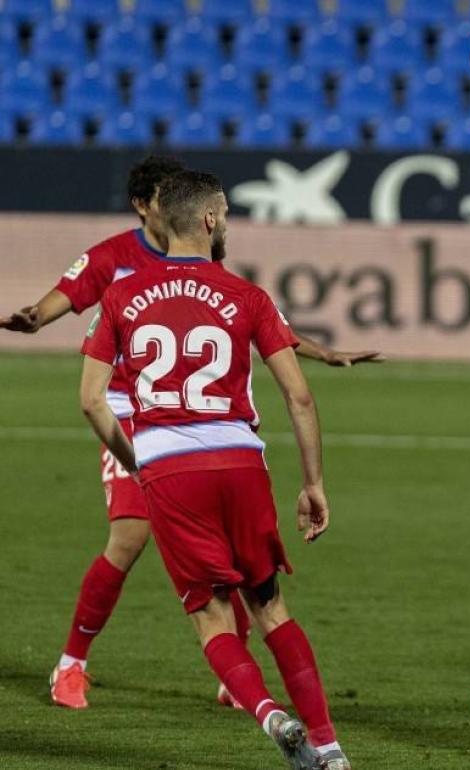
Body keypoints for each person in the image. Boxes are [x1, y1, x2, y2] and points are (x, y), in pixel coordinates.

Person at [0, 155, 381, 711]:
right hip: (131, 413)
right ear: (144, 205)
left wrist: (321, 353)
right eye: (160, 194)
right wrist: (34, 317)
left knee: (226, 538)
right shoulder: (114, 258)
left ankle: (235, 671)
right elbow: (59, 299)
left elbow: (259, 325)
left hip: (200, 425)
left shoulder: (202, 261)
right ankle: (71, 664)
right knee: (130, 536)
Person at [77, 170, 350, 769]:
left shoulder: (120, 296)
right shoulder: (248, 295)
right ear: (206, 220)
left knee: (210, 616)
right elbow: (299, 397)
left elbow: (93, 400)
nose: (226, 221)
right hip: (240, 460)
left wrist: (137, 463)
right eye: (224, 212)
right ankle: (329, 746)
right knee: (271, 607)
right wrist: (313, 484)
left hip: (171, 471)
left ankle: (270, 715)